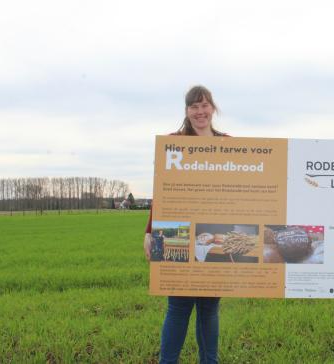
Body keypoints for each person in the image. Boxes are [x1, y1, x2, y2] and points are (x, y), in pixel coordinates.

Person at [143, 85, 226, 364]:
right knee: (177, 307)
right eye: (194, 106)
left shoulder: (228, 143)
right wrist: (148, 232)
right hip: (178, 233)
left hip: (213, 233)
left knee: (209, 309)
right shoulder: (173, 142)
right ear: (187, 111)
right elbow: (162, 191)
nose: (200, 111)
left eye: (204, 105)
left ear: (212, 108)